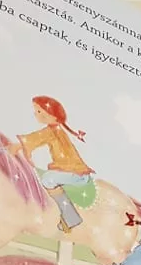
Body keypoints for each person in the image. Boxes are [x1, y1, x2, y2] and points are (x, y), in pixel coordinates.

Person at [9, 96, 92, 232]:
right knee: (47, 177)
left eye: (39, 111)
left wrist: (17, 146)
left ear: (51, 114)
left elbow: (36, 138)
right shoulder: (56, 129)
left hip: (76, 173)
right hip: (72, 172)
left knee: (48, 179)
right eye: (36, 111)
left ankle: (70, 216)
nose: (35, 114)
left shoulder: (53, 130)